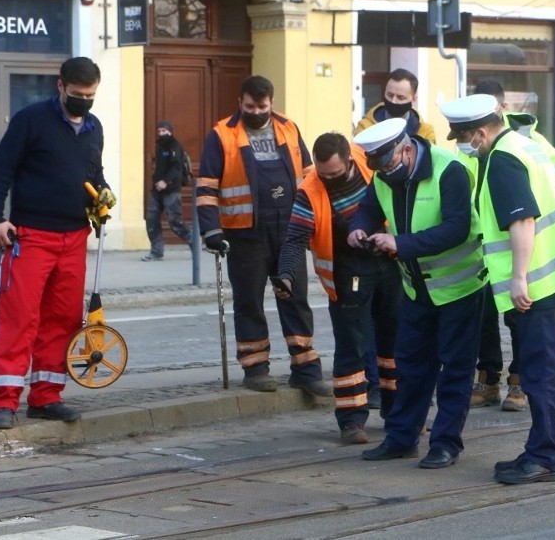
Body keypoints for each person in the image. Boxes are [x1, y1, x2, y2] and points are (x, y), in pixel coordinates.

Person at [440, 94, 555, 484]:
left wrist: (519, 279)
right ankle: (541, 449)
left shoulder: (502, 159)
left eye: (461, 136)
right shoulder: (525, 144)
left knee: (541, 373)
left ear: (479, 132)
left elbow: (522, 220)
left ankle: (543, 456)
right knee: (548, 370)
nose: (459, 143)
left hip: (539, 280)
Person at [0, 56, 115, 430]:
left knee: (62, 320)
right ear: (60, 87)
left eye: (90, 95)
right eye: (78, 94)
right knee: (19, 319)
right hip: (31, 237)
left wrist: (102, 194)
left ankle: (46, 397)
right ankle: (5, 402)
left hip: (74, 237)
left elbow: (93, 171)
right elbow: (1, 169)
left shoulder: (93, 128)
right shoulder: (31, 120)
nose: (84, 101)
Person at [349, 117, 487, 469]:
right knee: (411, 366)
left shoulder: (449, 169)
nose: (383, 172)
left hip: (460, 288)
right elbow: (368, 209)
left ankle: (445, 445)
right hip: (416, 290)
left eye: (388, 163)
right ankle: (401, 438)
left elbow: (457, 229)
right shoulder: (382, 176)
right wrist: (359, 229)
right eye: (377, 167)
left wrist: (400, 243)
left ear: (407, 149)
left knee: (454, 370)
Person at [195, 75, 331, 396]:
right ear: (240, 102)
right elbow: (206, 187)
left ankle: (306, 367)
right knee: (249, 301)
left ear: (272, 103)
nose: (256, 112)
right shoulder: (222, 135)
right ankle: (255, 368)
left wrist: (316, 219)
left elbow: (310, 178)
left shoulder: (289, 128)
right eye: (249, 106)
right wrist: (212, 230)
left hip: (289, 230)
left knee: (295, 297)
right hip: (244, 233)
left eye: (262, 106)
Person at [276, 132, 401, 444]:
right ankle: (351, 421)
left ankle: (400, 414)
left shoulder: (369, 162)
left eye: (335, 173)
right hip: (348, 274)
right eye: (323, 173)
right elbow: (295, 240)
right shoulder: (310, 190)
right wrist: (287, 276)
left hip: (390, 262)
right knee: (352, 347)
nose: (328, 179)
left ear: (349, 159)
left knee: (397, 344)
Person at [466, 81, 555, 412]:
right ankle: (487, 381)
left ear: (498, 110)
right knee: (483, 319)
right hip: (484, 253)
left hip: (519, 251)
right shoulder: (474, 142)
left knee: (519, 322)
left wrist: (531, 212)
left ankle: (518, 384)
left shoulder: (526, 141)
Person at [354, 67, 437, 408]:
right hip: (378, 238)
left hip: (409, 241)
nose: (395, 101)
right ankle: (378, 384)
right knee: (375, 320)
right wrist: (364, 227)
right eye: (390, 95)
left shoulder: (426, 132)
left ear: (413, 98)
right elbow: (367, 185)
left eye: (402, 98)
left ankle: (404, 387)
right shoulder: (364, 129)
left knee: (401, 321)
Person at [141, 120, 192, 261]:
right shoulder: (160, 146)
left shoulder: (175, 146)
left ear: (170, 131)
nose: (161, 133)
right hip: (156, 190)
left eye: (164, 131)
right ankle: (156, 251)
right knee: (151, 219)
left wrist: (165, 181)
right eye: (159, 131)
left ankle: (194, 241)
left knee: (175, 222)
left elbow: (177, 168)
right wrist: (157, 182)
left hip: (171, 190)